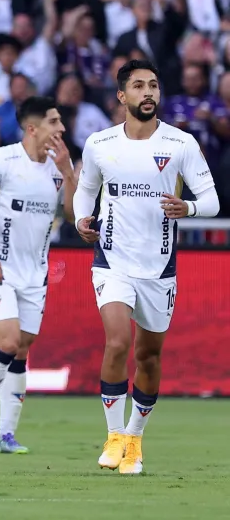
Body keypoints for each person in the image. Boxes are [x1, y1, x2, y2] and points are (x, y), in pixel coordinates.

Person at [72, 59, 220, 475]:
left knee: (148, 357)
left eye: (153, 85)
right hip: (112, 261)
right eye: (138, 86)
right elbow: (86, 192)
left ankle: (135, 440)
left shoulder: (180, 144)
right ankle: (114, 435)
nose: (148, 92)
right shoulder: (100, 143)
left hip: (159, 268)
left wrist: (187, 206)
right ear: (122, 97)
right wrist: (82, 219)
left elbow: (211, 201)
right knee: (117, 342)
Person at [0, 96, 78, 454]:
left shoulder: (61, 166)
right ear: (32, 128)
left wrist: (69, 173)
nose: (61, 128)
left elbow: (73, 216)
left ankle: (8, 432)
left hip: (36, 273)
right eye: (54, 122)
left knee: (22, 349)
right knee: (8, 342)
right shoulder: (2, 159)